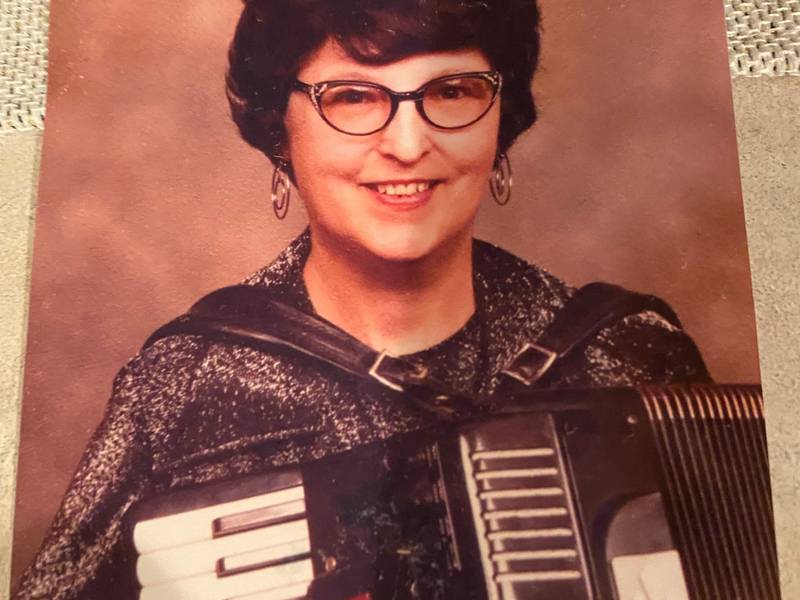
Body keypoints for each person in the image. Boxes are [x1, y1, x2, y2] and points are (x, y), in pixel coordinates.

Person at [13, 0, 710, 598]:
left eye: (453, 92)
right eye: (352, 97)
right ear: (279, 134)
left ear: (503, 119)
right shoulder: (188, 385)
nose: (409, 144)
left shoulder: (626, 350)